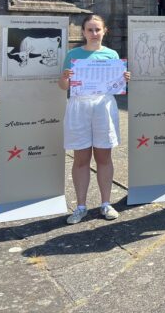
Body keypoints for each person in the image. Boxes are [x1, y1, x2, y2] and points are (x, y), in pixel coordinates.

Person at [59, 14, 131, 224]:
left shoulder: (111, 54)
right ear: (83, 32)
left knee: (104, 156)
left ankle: (106, 203)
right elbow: (63, 86)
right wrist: (64, 78)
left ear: (104, 31)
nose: (94, 34)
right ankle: (81, 206)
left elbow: (116, 87)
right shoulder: (73, 54)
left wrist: (123, 79)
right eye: (89, 30)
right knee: (81, 158)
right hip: (79, 106)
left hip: (103, 107)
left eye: (97, 29)